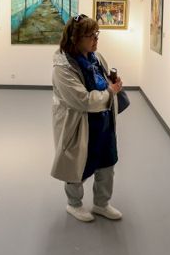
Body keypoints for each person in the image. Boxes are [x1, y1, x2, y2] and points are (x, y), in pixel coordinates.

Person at [51, 14, 124, 222]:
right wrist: (110, 91)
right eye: (91, 35)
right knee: (78, 166)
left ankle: (102, 204)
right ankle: (74, 204)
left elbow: (104, 82)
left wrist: (112, 82)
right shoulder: (63, 67)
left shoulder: (96, 57)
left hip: (103, 121)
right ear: (75, 38)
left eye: (96, 34)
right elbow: (82, 101)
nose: (96, 39)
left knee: (107, 162)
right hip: (80, 123)